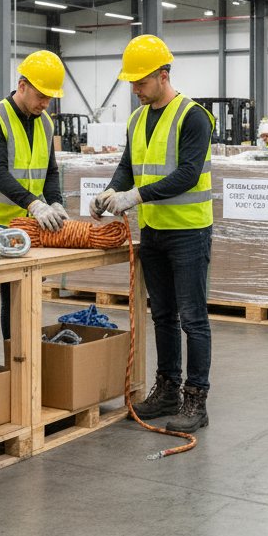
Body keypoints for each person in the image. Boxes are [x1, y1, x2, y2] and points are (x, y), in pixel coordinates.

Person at [91, 35, 214, 431]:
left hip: (189, 232)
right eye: (131, 83)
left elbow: (187, 174)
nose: (135, 90)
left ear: (163, 75)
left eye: (141, 82)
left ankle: (196, 399)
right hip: (155, 232)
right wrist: (113, 189)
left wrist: (135, 197)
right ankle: (166, 391)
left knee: (193, 318)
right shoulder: (137, 118)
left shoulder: (192, 117)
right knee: (162, 315)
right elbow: (128, 165)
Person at [0, 50, 69, 361]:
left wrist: (55, 202)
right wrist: (35, 204)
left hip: (23, 227)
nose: (45, 103)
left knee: (18, 303)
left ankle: (17, 371)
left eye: (50, 98)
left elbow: (50, 171)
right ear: (22, 85)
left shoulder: (45, 122)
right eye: (40, 95)